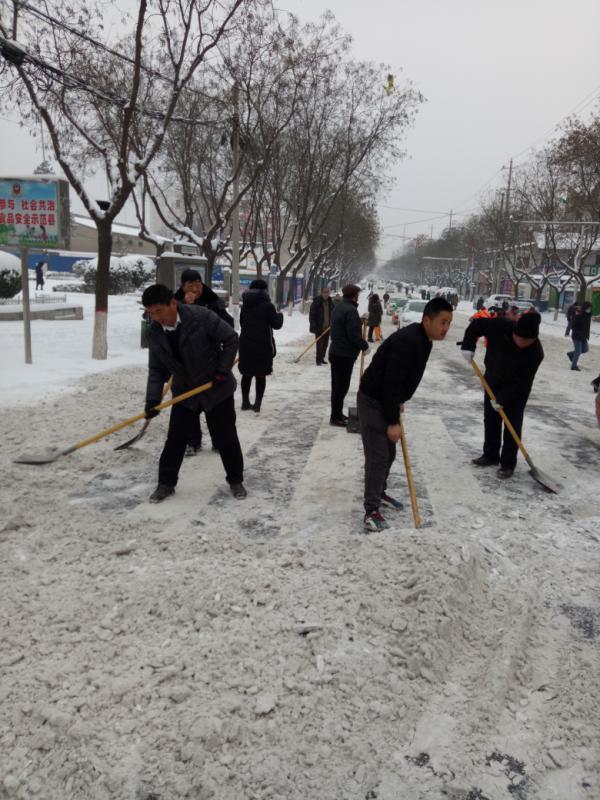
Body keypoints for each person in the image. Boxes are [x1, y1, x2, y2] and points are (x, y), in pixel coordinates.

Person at [142, 284, 246, 502]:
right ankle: (165, 484)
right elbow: (157, 369)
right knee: (176, 440)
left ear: (172, 303)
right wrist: (152, 399)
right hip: (185, 391)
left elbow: (231, 339)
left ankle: (236, 480)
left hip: (215, 388)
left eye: (159, 311)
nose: (156, 317)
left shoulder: (200, 316)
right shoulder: (154, 333)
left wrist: (222, 370)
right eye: (151, 313)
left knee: (225, 437)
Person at [358, 297, 454, 532]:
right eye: (442, 322)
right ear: (426, 320)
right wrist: (392, 420)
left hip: (385, 398)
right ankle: (370, 511)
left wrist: (398, 400)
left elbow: (399, 377)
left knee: (388, 454)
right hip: (373, 400)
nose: (445, 328)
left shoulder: (424, 340)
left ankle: (379, 493)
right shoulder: (410, 341)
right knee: (379, 456)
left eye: (448, 323)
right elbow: (391, 380)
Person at [461, 312, 544, 480]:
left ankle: (507, 463)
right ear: (515, 332)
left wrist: (503, 399)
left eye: (528, 342)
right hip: (493, 379)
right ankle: (490, 455)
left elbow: (523, 382)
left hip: (517, 390)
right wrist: (468, 345)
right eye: (521, 339)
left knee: (512, 423)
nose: (524, 344)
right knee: (490, 419)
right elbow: (475, 325)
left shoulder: (536, 353)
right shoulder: (499, 325)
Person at [173, 269, 234, 454]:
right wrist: (184, 306)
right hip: (184, 364)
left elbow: (228, 325)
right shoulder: (174, 304)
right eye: (190, 286)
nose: (195, 289)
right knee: (189, 405)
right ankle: (192, 441)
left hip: (210, 361)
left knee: (214, 405)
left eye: (197, 284)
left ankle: (219, 440)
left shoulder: (212, 301)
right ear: (183, 287)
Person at [238, 279, 283, 412]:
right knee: (260, 374)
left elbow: (241, 323)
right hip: (262, 344)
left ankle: (245, 402)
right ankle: (257, 404)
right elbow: (277, 324)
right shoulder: (268, 306)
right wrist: (280, 315)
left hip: (246, 343)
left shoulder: (245, 305)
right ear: (264, 290)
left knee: (246, 373)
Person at [329, 284, 369, 427]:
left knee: (336, 386)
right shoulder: (350, 310)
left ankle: (337, 413)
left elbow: (344, 326)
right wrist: (364, 345)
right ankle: (335, 417)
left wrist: (359, 321)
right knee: (341, 387)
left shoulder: (338, 307)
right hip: (344, 354)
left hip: (336, 352)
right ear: (354, 295)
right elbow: (353, 335)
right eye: (357, 294)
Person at [309, 286, 334, 365]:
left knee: (325, 345)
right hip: (319, 327)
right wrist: (314, 326)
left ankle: (322, 358)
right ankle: (318, 360)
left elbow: (333, 313)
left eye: (327, 292)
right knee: (319, 345)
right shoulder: (317, 302)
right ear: (322, 293)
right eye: (324, 292)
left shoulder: (330, 302)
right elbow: (312, 315)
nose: (326, 294)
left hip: (327, 327)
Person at [568, 301, 592, 371]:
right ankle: (573, 366)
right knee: (578, 352)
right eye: (588, 308)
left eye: (590, 308)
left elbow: (587, 327)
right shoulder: (579, 315)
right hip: (577, 336)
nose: (589, 309)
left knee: (585, 349)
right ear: (585, 307)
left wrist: (587, 335)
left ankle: (571, 354)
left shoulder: (588, 316)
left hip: (583, 337)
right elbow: (573, 326)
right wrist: (578, 333)